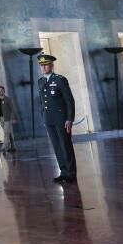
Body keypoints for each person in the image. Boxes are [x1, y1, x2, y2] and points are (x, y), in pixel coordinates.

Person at [37, 54, 77, 183]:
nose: (43, 67)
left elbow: (69, 101)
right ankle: (63, 171)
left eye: (46, 65)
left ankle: (71, 173)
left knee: (65, 145)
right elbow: (42, 102)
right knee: (56, 146)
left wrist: (69, 119)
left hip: (61, 119)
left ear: (52, 66)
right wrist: (43, 116)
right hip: (48, 119)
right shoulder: (40, 81)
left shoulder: (60, 80)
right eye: (41, 65)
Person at [0, 85, 18, 152]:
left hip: (8, 118)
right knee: (8, 132)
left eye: (1, 90)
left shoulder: (8, 99)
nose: (0, 91)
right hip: (1, 119)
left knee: (6, 132)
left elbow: (12, 109)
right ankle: (12, 146)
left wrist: (14, 118)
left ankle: (4, 147)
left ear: (4, 91)